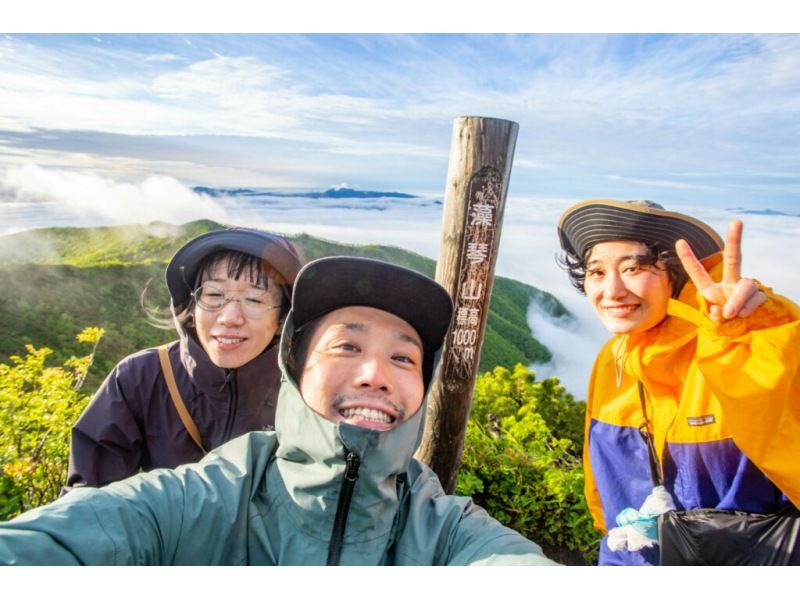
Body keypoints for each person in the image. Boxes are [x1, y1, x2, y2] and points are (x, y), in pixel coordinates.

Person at [0, 256, 557, 566]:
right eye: (346, 346)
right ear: (296, 367)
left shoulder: (445, 529)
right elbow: (79, 529)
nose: (374, 374)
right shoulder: (202, 497)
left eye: (403, 357)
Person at [557, 198, 800, 565]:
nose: (613, 291)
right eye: (596, 273)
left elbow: (782, 419)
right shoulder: (613, 358)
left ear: (677, 275)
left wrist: (758, 326)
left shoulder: (735, 348)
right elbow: (602, 486)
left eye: (635, 268)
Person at [66, 227, 304, 489]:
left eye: (254, 300)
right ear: (192, 306)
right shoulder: (140, 378)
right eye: (214, 295)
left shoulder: (306, 387)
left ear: (283, 318)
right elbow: (88, 498)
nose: (229, 318)